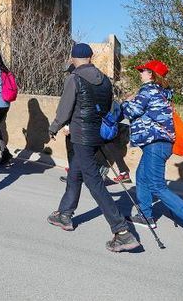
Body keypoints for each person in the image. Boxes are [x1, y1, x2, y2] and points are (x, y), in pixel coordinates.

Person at [47, 43, 140, 253]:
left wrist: (54, 127)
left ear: (73, 58)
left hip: (81, 134)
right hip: (98, 133)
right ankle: (64, 214)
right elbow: (109, 108)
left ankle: (122, 231)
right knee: (75, 173)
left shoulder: (75, 78)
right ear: (90, 56)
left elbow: (65, 108)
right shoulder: (104, 79)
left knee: (94, 182)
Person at [122, 59, 183, 246]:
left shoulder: (148, 90)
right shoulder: (163, 92)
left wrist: (124, 102)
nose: (141, 73)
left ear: (151, 74)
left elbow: (132, 111)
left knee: (157, 185)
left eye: (143, 70)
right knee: (142, 176)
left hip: (156, 143)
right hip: (157, 144)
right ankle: (146, 215)